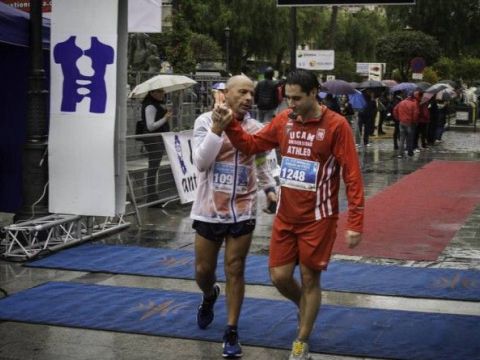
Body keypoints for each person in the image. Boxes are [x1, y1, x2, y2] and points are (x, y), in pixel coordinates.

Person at [214, 69, 364, 360]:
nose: (290, 104)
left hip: (319, 218)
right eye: (288, 98)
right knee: (279, 277)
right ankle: (306, 307)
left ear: (313, 94)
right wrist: (231, 125)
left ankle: (301, 342)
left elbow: (353, 176)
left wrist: (356, 221)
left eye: (296, 99)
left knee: (310, 279)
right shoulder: (283, 120)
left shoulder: (337, 125)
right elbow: (252, 145)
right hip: (286, 216)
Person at [190, 75, 277, 358]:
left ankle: (231, 330)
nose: (249, 98)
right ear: (225, 94)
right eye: (243, 92)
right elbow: (201, 163)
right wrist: (218, 127)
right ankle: (208, 295)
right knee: (203, 271)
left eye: (252, 93)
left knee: (235, 268)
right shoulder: (204, 122)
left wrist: (269, 189)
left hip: (243, 208)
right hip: (209, 209)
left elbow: (262, 161)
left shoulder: (256, 128)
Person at [140, 89, 171, 202]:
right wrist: (165, 118)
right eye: (159, 92)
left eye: (163, 92)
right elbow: (150, 126)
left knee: (154, 168)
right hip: (153, 140)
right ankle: (152, 196)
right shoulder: (150, 106)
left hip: (157, 139)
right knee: (153, 168)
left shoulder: (156, 104)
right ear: (152, 93)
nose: (162, 94)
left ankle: (152, 196)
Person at [393, 91, 420, 158]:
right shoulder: (414, 103)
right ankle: (410, 153)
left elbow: (395, 109)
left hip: (401, 122)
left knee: (402, 138)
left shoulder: (401, 102)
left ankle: (400, 153)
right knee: (410, 138)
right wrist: (415, 122)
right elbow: (415, 114)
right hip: (410, 123)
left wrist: (398, 118)